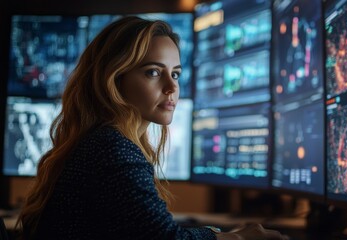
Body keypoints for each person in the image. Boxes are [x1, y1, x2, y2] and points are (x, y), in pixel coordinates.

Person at [16, 16, 287, 240]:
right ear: (114, 79)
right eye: (153, 72)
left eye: (176, 73)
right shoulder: (112, 148)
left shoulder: (98, 141)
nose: (172, 87)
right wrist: (236, 237)